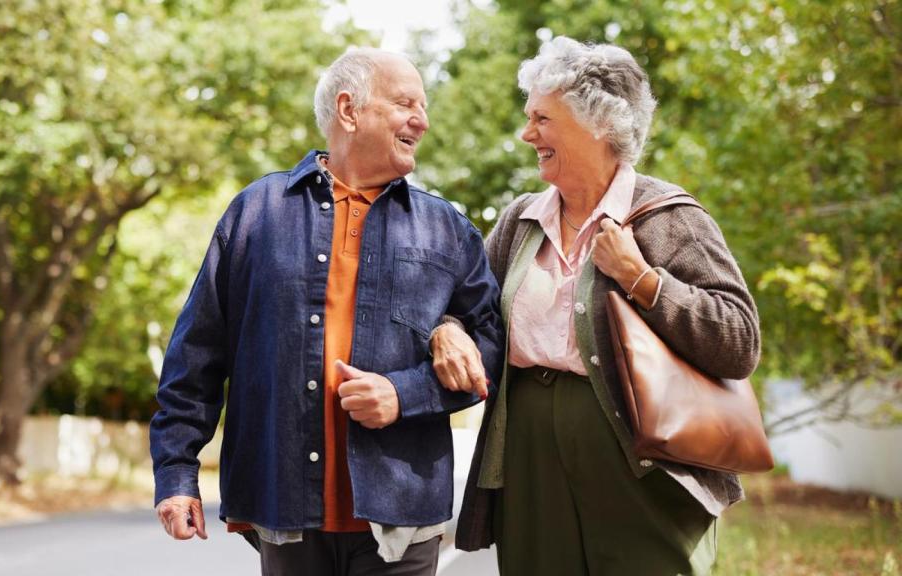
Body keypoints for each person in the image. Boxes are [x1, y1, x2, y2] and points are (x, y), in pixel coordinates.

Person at [149, 47, 504, 576]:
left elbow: (493, 345)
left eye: (423, 107)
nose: (423, 121)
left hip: (402, 517)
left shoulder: (446, 228)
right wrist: (177, 474)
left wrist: (405, 394)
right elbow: (197, 352)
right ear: (349, 110)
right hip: (284, 506)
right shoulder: (256, 212)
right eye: (406, 103)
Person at [430, 36, 761, 575]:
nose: (526, 133)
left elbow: (739, 340)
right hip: (529, 460)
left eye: (542, 118)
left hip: (639, 466)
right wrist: (447, 329)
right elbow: (467, 309)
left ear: (599, 122)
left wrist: (642, 279)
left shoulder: (668, 216)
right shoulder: (521, 221)